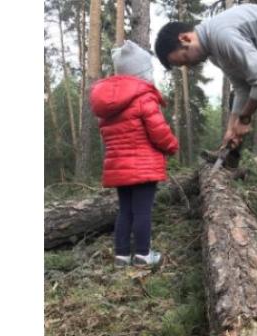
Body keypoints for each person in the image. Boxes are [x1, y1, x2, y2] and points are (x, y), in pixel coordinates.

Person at [154, 4, 257, 229]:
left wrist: (244, 120)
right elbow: (243, 87)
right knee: (237, 97)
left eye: (184, 59)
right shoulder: (213, 50)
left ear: (185, 38)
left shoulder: (222, 36)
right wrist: (231, 127)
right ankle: (230, 158)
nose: (188, 65)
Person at [89, 40, 179, 267]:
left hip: (118, 166)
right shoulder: (143, 96)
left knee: (125, 210)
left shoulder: (107, 103)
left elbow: (108, 133)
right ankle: (143, 254)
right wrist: (171, 146)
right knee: (143, 211)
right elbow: (158, 130)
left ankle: (121, 255)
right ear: (141, 73)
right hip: (144, 166)